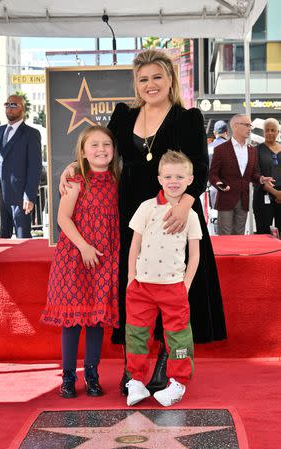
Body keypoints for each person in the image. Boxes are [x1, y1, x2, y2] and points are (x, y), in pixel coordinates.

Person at [60, 49, 227, 396]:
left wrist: (185, 205)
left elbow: (200, 166)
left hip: (173, 213)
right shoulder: (123, 115)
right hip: (132, 216)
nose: (150, 85)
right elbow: (98, 148)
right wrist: (74, 165)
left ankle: (167, 357)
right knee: (134, 288)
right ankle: (133, 365)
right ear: (136, 84)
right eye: (143, 79)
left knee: (172, 288)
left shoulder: (189, 118)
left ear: (170, 80)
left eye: (157, 77)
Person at [41, 125, 120, 398]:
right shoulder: (76, 180)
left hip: (104, 259)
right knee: (73, 322)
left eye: (106, 145)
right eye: (94, 145)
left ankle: (92, 375)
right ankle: (67, 378)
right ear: (83, 153)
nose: (101, 150)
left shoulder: (116, 181)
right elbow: (63, 218)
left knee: (96, 321)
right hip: (75, 257)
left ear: (113, 150)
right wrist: (85, 246)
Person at [125, 150, 202, 407]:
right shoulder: (146, 208)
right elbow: (134, 244)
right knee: (136, 333)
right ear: (159, 178)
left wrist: (187, 283)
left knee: (178, 336)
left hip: (173, 287)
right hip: (141, 286)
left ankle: (177, 383)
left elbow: (195, 254)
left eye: (180, 176)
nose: (173, 181)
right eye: (168, 176)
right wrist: (130, 278)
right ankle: (135, 381)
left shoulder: (190, 215)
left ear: (190, 180)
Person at [0, 94, 42, 238]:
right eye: (7, 104)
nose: (9, 107)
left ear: (23, 109)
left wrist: (29, 195)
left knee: (23, 239)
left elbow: (35, 167)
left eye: (14, 105)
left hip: (20, 198)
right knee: (1, 240)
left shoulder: (31, 134)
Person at [209, 114, 274, 235]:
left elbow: (253, 174)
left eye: (250, 125)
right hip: (226, 197)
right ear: (235, 126)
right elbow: (212, 174)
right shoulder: (221, 149)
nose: (250, 128)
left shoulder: (252, 150)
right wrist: (219, 184)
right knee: (225, 235)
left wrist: (261, 179)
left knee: (240, 234)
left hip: (244, 199)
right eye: (247, 125)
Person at [253, 118, 281, 234]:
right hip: (263, 197)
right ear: (263, 132)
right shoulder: (256, 151)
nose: (270, 133)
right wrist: (276, 193)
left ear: (278, 132)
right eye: (267, 130)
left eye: (273, 130)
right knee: (263, 232)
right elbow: (256, 174)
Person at [207, 120, 229, 209]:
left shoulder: (209, 148)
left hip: (214, 187)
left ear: (214, 132)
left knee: (215, 214)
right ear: (226, 132)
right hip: (229, 187)